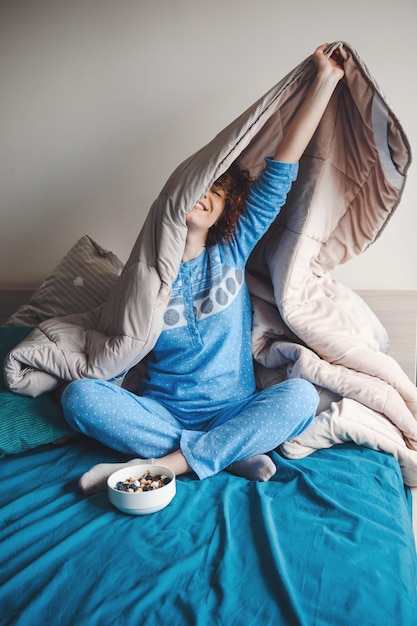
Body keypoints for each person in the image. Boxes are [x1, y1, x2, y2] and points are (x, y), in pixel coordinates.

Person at [62, 44, 345, 494]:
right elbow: (116, 349)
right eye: (198, 185)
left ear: (227, 210)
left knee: (302, 396)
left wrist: (324, 81)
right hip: (162, 413)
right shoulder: (142, 276)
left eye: (218, 190)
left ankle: (165, 466)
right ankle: (224, 455)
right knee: (78, 396)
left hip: (234, 408)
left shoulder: (231, 249)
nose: (206, 193)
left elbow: (279, 174)